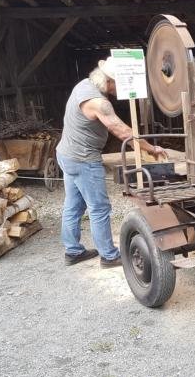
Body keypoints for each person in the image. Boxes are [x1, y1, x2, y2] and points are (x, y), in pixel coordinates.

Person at [56, 57, 167, 268]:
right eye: (118, 84)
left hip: (66, 154)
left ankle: (73, 251)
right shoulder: (99, 102)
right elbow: (122, 131)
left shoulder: (83, 85)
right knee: (99, 208)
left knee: (73, 205)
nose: (120, 90)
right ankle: (109, 255)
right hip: (83, 159)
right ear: (109, 81)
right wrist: (151, 148)